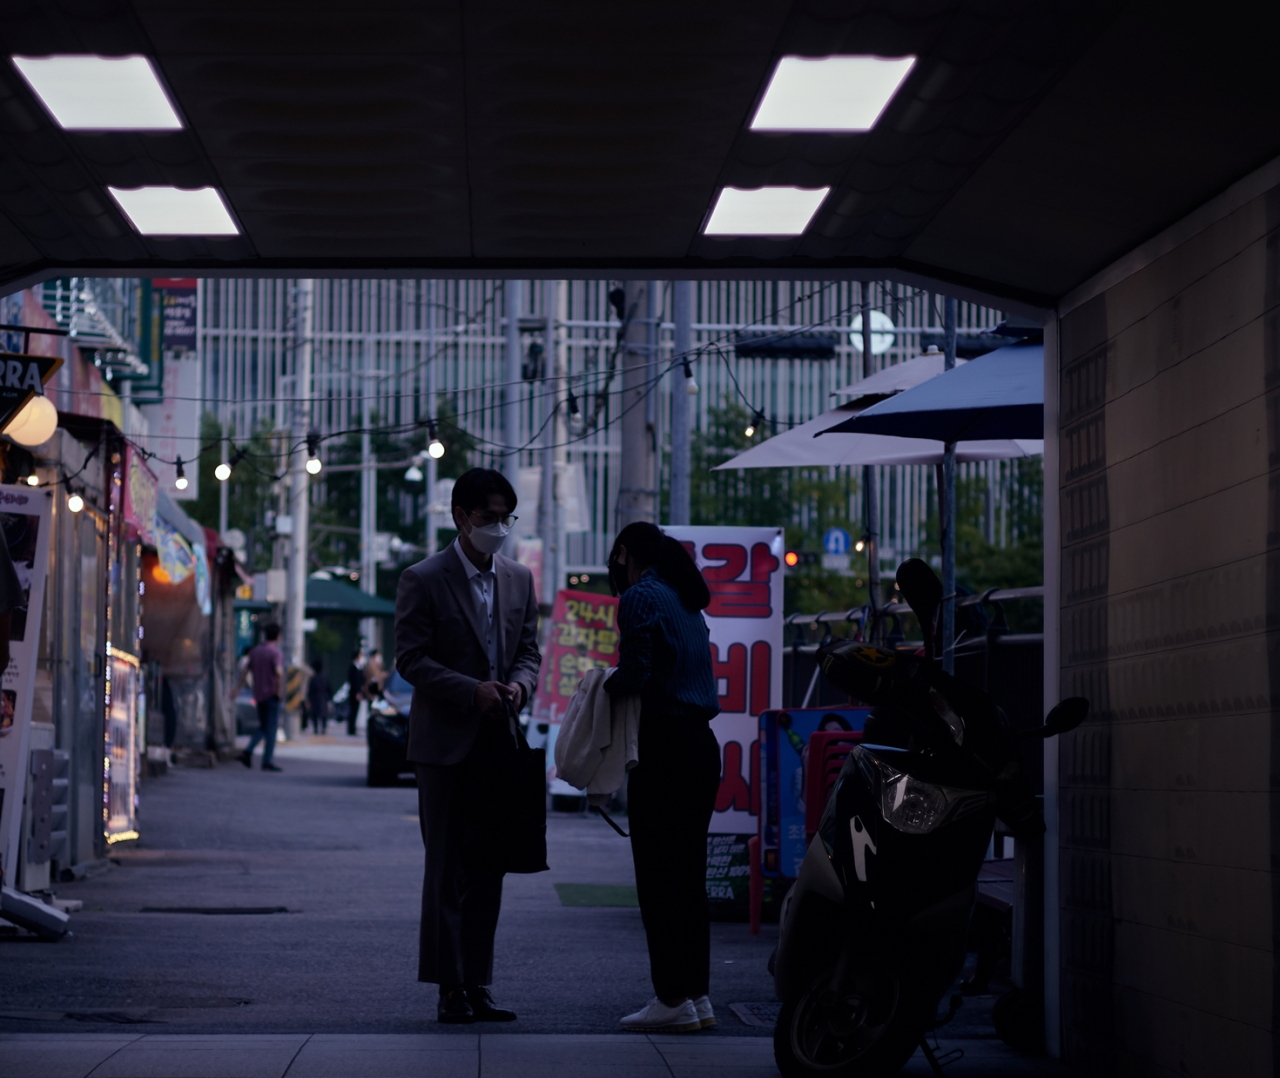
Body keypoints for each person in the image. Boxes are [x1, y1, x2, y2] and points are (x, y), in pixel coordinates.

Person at [394, 467, 541, 1025]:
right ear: (461, 517)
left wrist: (520, 686)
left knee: (489, 867)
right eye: (489, 518)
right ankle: (448, 987)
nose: (499, 527)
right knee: (446, 867)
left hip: (498, 740)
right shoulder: (422, 578)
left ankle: (478, 982)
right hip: (443, 746)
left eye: (507, 517)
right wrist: (470, 691)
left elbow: (528, 650)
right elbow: (411, 658)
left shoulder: (519, 579)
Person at [604, 521, 720, 1033]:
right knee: (689, 878)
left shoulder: (640, 597)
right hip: (701, 748)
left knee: (656, 878)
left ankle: (670, 1000)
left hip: (665, 745)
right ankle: (697, 995)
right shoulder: (685, 600)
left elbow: (635, 676)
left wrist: (598, 686)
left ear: (624, 552)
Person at [234, 623, 285, 772]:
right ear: (278, 637)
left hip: (258, 695)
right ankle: (267, 761)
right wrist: (279, 690)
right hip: (271, 694)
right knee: (271, 728)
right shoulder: (275, 653)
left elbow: (245, 671)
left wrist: (237, 689)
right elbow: (279, 673)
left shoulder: (255, 651)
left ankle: (248, 751)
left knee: (264, 726)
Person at [306, 659, 332, 735]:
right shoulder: (325, 678)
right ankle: (323, 729)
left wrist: (309, 699)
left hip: (315, 698)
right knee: (324, 715)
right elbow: (329, 689)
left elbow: (310, 690)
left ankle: (316, 729)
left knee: (315, 715)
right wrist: (329, 698)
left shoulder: (313, 679)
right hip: (324, 698)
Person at [345, 645, 366, 736]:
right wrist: (358, 692)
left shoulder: (358, 667)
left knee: (355, 711)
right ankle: (351, 729)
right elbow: (355, 681)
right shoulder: (353, 668)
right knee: (353, 711)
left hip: (356, 692)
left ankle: (352, 728)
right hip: (354, 693)